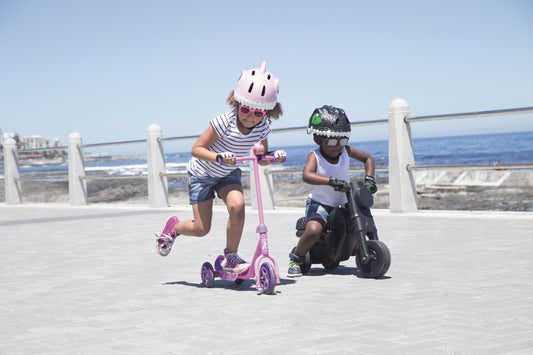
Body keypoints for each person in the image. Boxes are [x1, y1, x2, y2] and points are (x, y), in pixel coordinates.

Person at [155, 61, 286, 274]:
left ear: (267, 113)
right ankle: (174, 228)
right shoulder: (224, 122)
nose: (250, 116)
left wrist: (273, 158)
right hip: (202, 174)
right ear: (236, 102)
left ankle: (231, 256)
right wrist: (218, 157)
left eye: (258, 113)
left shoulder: (262, 128)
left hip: (227, 174)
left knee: (238, 207)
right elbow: (197, 149)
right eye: (245, 109)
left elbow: (260, 157)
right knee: (201, 229)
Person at [287, 105, 377, 277]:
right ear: (318, 139)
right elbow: (307, 175)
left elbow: (368, 159)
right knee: (314, 230)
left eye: (342, 141)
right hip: (321, 202)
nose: (338, 147)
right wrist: (330, 181)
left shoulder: (345, 151)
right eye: (332, 142)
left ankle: (363, 251)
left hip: (344, 201)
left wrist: (370, 179)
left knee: (360, 223)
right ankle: (296, 258)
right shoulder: (315, 156)